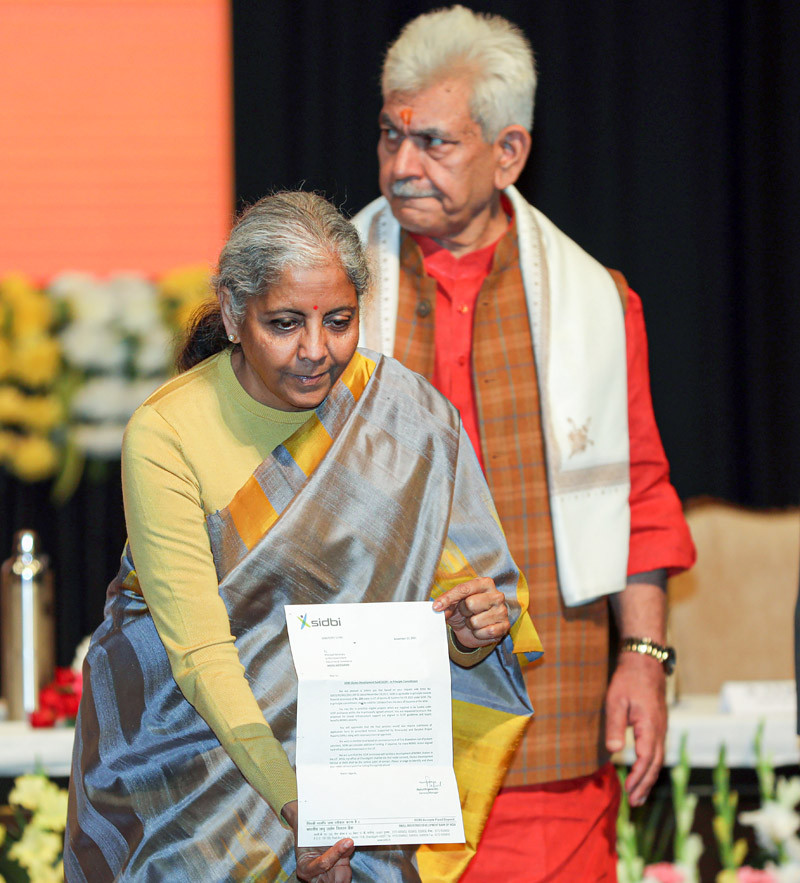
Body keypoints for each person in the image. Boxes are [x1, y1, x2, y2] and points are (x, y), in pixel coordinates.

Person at [64, 191, 541, 882]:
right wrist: (298, 802)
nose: (316, 351)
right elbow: (199, 652)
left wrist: (470, 636)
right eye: (285, 323)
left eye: (339, 321)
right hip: (192, 796)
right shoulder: (166, 431)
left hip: (355, 796)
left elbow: (433, 619)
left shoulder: (402, 415)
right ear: (233, 312)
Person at [351, 7, 696, 880]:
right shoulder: (330, 289)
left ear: (508, 152)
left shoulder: (594, 300)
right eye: (390, 135)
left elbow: (640, 495)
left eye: (432, 142)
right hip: (377, 709)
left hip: (550, 716)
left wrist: (644, 658)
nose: (400, 165)